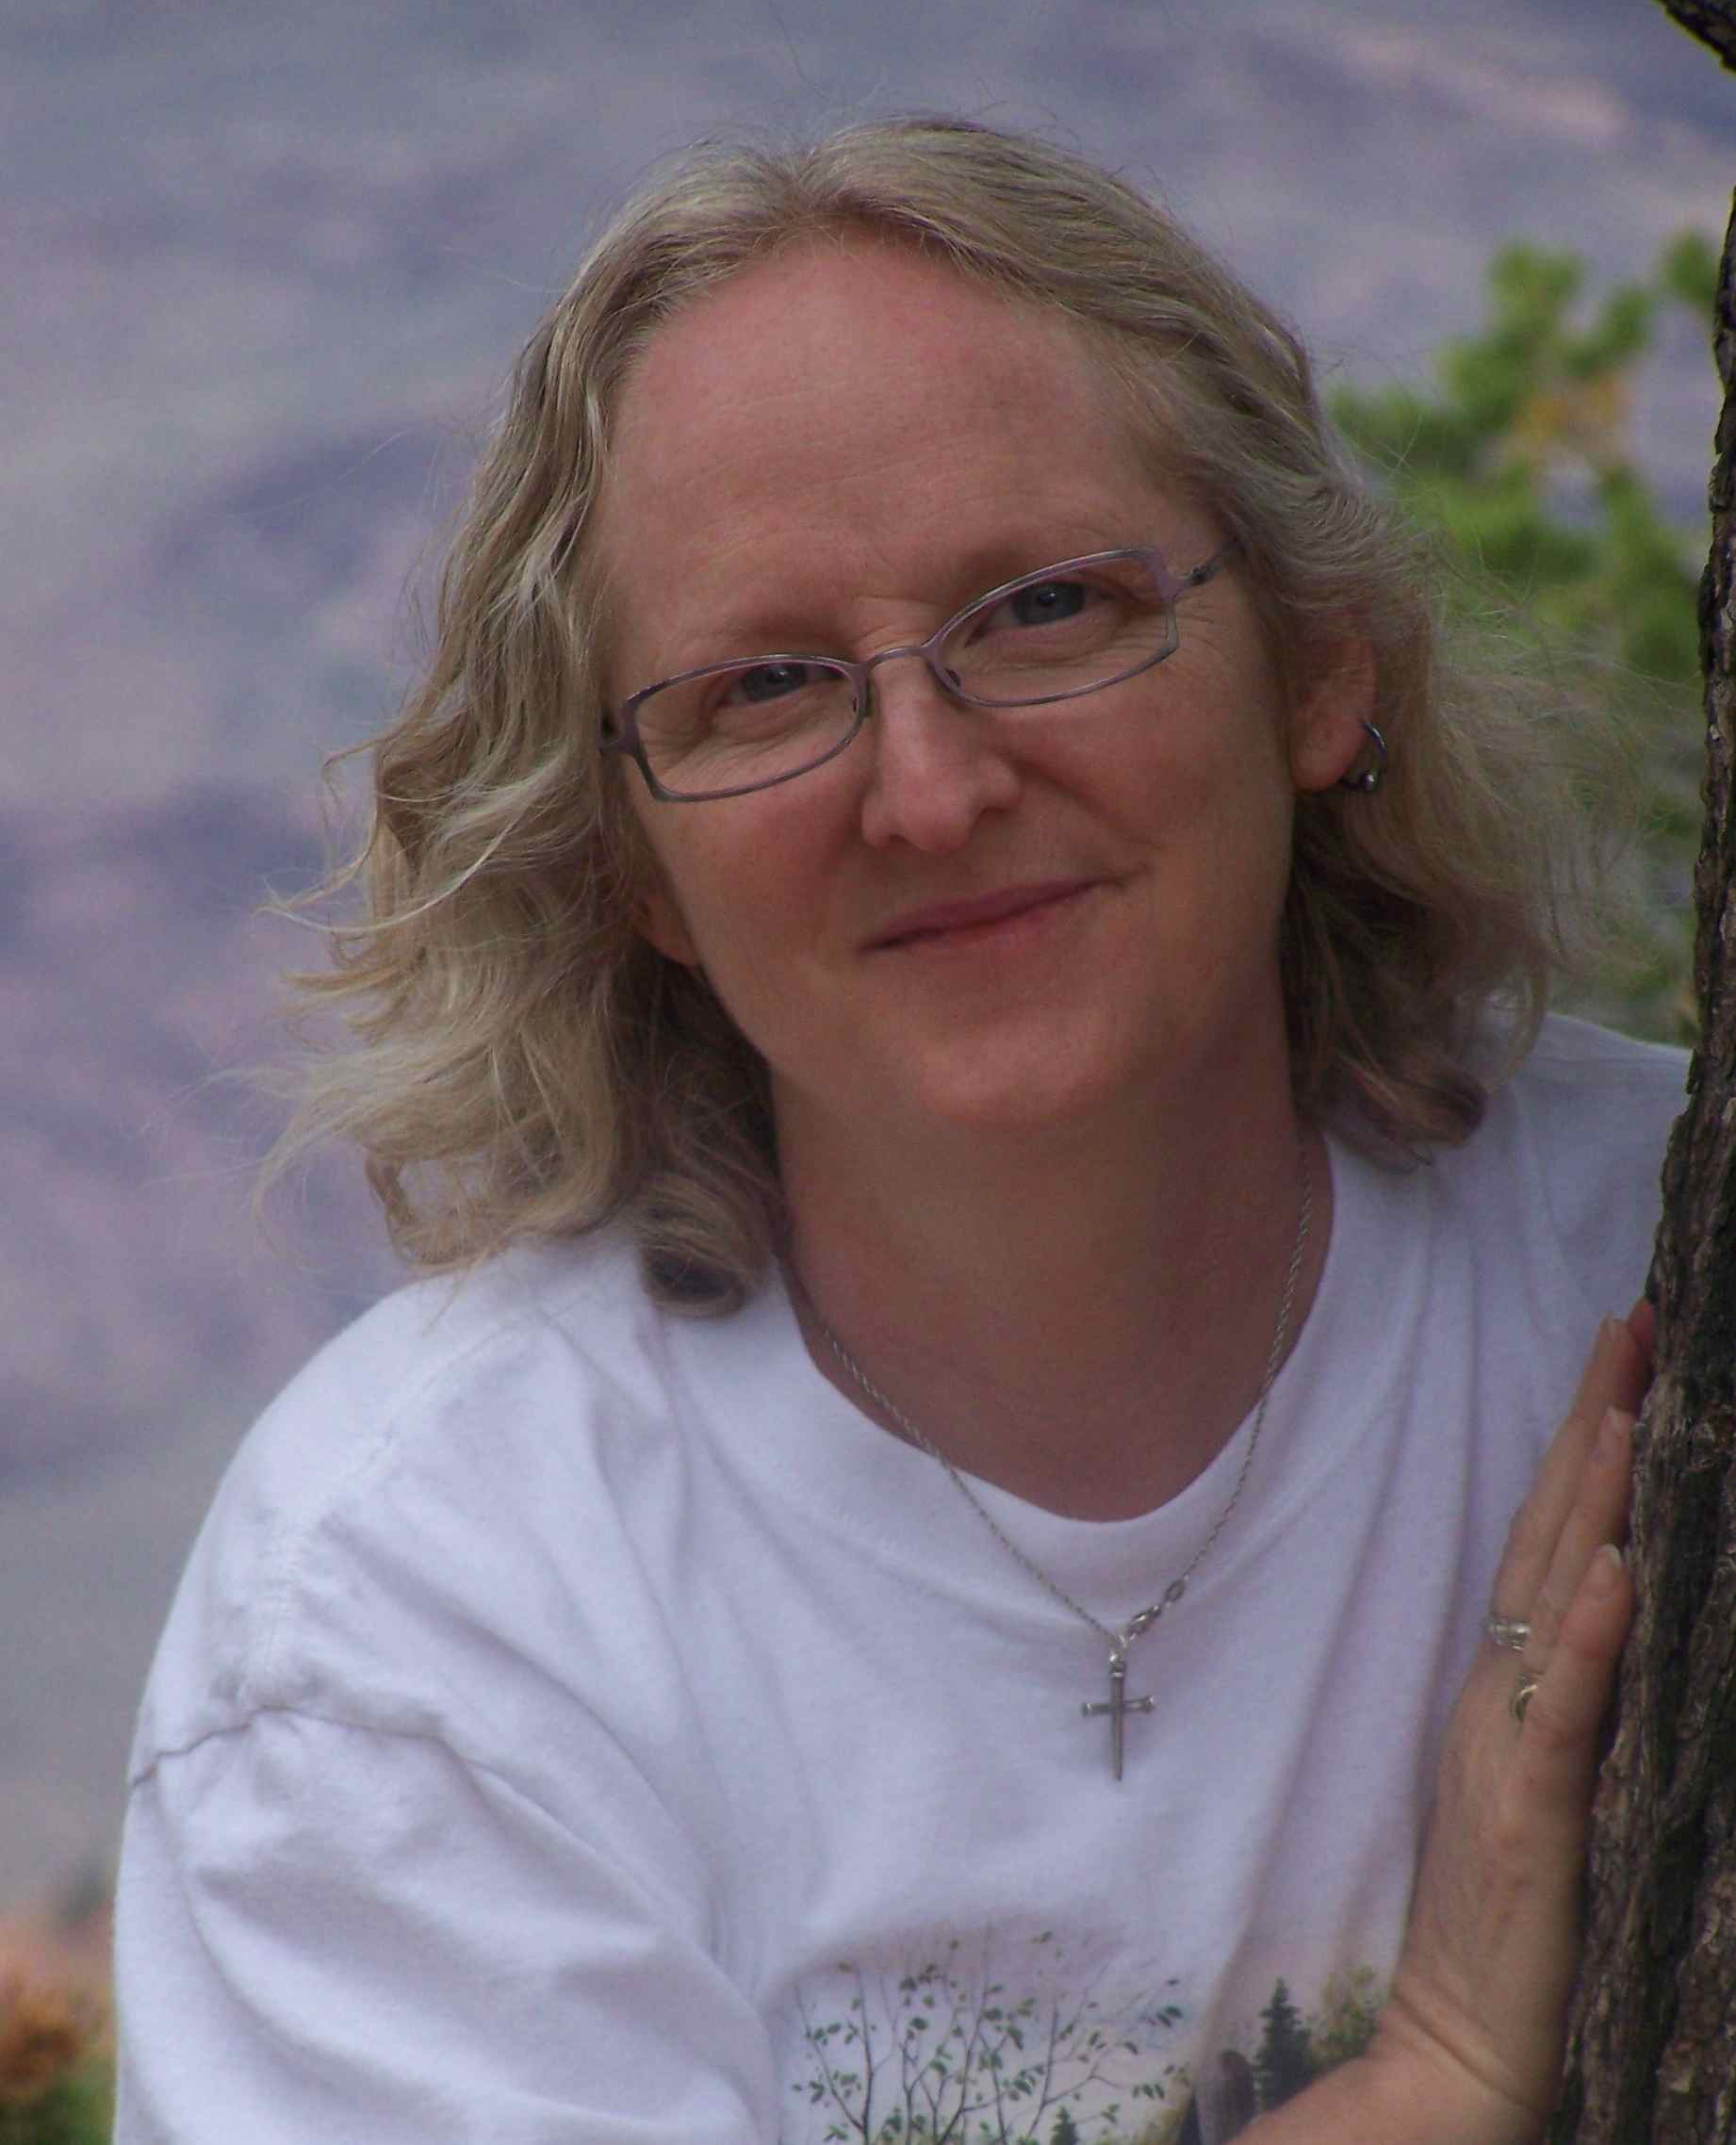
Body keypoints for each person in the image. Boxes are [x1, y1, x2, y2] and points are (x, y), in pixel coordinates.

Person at [113, 118, 1685, 2145]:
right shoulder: (421, 1611)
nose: (930, 791)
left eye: (1046, 609)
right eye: (763, 688)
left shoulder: (1649, 1276)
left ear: (1315, 667)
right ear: (634, 867)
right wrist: (1441, 2068)